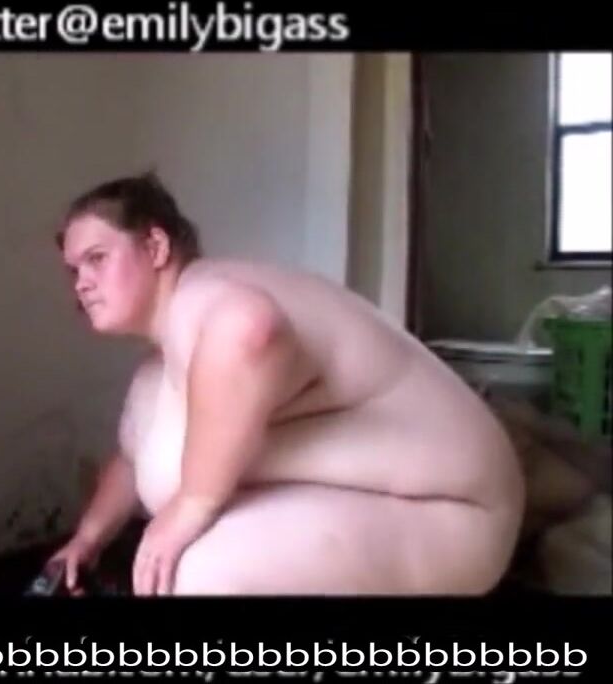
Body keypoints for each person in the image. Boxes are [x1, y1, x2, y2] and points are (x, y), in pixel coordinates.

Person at [47, 171, 526, 596]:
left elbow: (249, 330)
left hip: (456, 515)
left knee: (202, 573)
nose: (81, 283)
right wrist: (87, 540)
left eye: (97, 258)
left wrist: (193, 503)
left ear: (155, 247)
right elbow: (135, 455)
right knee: (157, 428)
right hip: (391, 501)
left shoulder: (202, 294)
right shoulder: (165, 359)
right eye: (74, 270)